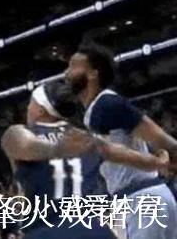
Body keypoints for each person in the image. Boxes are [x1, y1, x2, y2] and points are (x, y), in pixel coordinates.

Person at [2, 80, 170, 239]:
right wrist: (158, 162)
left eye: (31, 103)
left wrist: (57, 149)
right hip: (93, 229)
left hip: (46, 229)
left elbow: (25, 145)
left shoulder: (19, 132)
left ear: (40, 110)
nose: (27, 108)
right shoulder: (84, 138)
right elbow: (127, 155)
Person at [65, 44, 177, 239]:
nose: (66, 73)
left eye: (73, 66)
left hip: (142, 199)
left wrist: (170, 156)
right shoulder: (96, 109)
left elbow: (161, 138)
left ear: (93, 74)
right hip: (138, 199)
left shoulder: (107, 104)